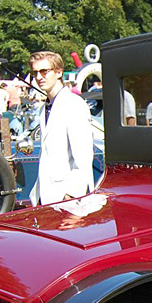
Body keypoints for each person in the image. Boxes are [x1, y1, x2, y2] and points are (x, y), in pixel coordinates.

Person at [28, 51, 96, 205]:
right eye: (35, 72)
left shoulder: (74, 104)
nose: (39, 77)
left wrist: (71, 195)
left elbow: (83, 157)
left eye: (44, 71)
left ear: (59, 72)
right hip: (46, 197)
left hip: (67, 201)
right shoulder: (44, 107)